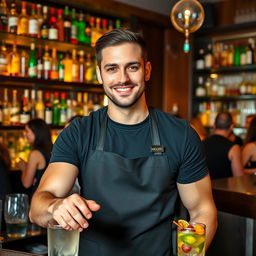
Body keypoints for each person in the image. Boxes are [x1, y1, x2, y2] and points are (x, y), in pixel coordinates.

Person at [30, 28, 217, 255]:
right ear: (100, 75)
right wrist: (55, 206)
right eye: (112, 69)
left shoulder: (181, 134)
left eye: (133, 67)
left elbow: (201, 209)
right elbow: (38, 205)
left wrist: (190, 254)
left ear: (146, 70)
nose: (123, 79)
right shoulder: (78, 133)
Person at [15, 119, 52, 198]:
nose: (25, 134)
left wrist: (23, 167)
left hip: (38, 197)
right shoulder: (51, 149)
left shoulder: (35, 154)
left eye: (27, 131)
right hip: (49, 196)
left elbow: (26, 183)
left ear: (36, 132)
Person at [202, 112, 244, 179]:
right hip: (224, 189)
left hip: (204, 188)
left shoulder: (201, 143)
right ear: (231, 127)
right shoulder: (234, 148)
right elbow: (239, 178)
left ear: (214, 125)